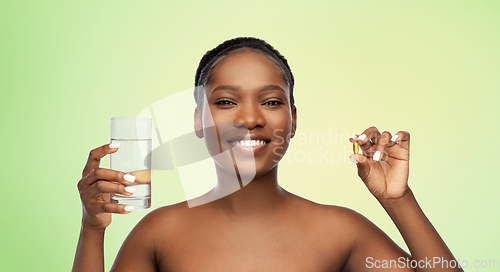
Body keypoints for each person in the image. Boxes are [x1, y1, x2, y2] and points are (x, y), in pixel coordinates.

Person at [73, 37, 463, 271]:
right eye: (225, 101)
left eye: (272, 101)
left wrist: (400, 201)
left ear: (292, 119)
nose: (250, 118)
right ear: (198, 120)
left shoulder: (340, 232)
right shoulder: (159, 234)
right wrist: (92, 229)